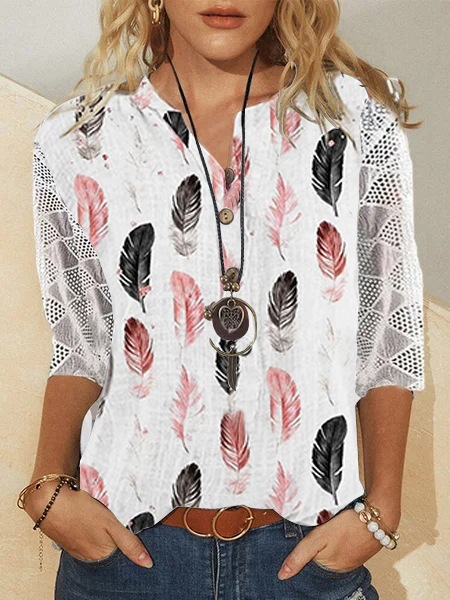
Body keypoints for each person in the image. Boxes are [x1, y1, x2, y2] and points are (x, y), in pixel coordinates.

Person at [19, 0, 425, 598]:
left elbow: (387, 333)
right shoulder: (78, 138)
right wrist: (46, 488)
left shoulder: (352, 120)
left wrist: (381, 509)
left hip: (304, 555)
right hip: (128, 558)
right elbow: (81, 344)